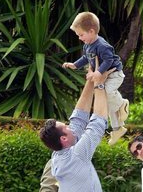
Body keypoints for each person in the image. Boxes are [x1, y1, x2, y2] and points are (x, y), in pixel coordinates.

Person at [39, 62, 114, 192]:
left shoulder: (59, 155)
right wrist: (100, 84)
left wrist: (91, 80)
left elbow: (78, 119)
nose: (70, 127)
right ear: (63, 139)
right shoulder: (77, 155)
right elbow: (98, 122)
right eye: (66, 127)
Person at [62, 11, 129, 145]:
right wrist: (75, 65)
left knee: (107, 94)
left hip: (114, 74)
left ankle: (122, 104)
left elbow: (109, 60)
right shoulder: (88, 45)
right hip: (105, 76)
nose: (80, 38)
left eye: (81, 35)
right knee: (107, 101)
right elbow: (86, 57)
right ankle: (117, 128)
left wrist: (98, 72)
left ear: (91, 31)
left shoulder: (102, 45)